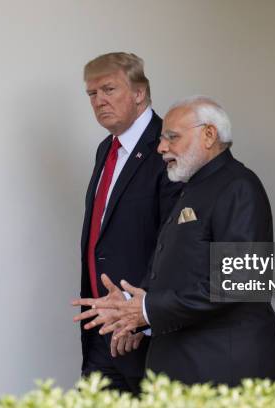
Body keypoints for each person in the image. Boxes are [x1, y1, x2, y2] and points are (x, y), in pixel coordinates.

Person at [74, 96, 275, 386]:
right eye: (162, 138)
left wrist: (147, 310)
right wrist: (131, 308)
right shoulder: (192, 188)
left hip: (226, 376)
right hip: (192, 372)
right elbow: (181, 271)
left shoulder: (238, 186)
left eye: (172, 137)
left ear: (209, 135)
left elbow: (239, 280)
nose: (161, 147)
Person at [78, 52, 179, 393]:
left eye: (108, 89)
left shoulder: (168, 146)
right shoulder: (106, 148)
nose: (99, 101)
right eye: (92, 94)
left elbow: (175, 241)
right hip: (100, 326)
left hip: (140, 333)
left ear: (139, 93)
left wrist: (139, 313)